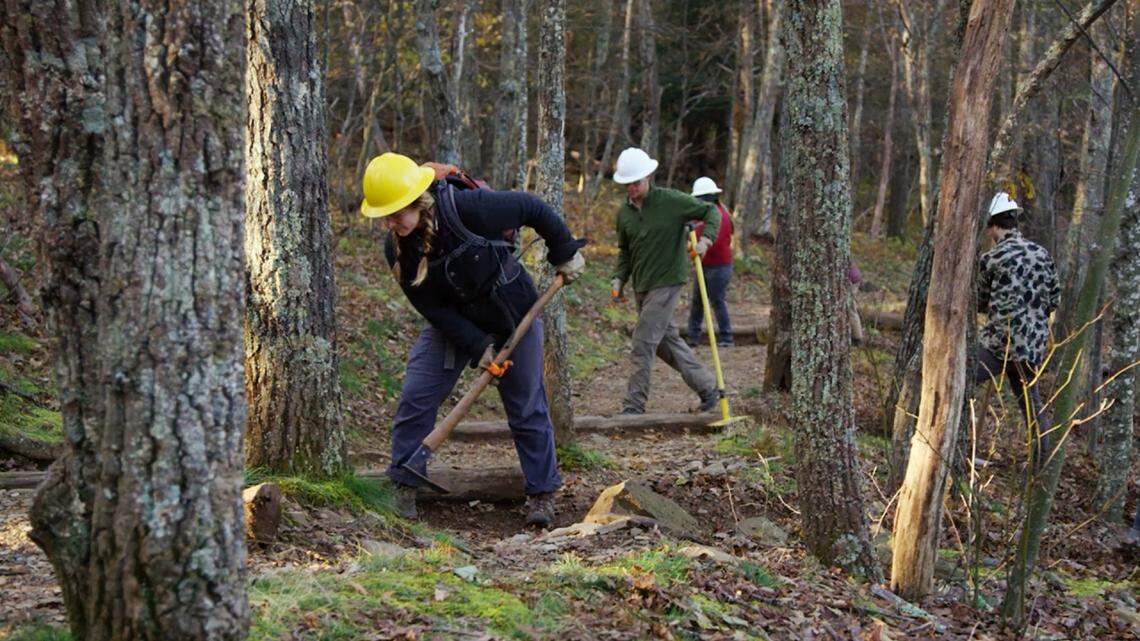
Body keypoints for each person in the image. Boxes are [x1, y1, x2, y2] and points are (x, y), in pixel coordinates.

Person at [360, 152, 586, 526]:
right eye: (384, 215)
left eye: (397, 213)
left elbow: (532, 207)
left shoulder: (469, 209)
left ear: (417, 201)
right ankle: (403, 483)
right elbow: (432, 307)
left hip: (514, 315)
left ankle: (542, 494)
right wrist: (477, 345)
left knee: (526, 404)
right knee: (418, 393)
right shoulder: (397, 248)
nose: (390, 222)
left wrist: (564, 252)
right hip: (455, 322)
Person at [610, 147, 721, 415]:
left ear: (648, 177)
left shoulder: (671, 201)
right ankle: (708, 389)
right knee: (664, 342)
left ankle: (633, 407)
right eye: (627, 184)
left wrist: (706, 241)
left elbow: (711, 213)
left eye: (636, 182)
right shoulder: (624, 215)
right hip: (642, 285)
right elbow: (625, 251)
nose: (632, 188)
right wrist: (618, 279)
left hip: (668, 280)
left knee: (642, 341)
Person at [973, 191, 1060, 467]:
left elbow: (980, 301)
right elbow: (1054, 298)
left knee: (960, 381)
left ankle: (957, 444)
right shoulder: (1042, 254)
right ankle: (1040, 465)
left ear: (993, 225)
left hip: (999, 344)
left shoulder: (992, 258)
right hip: (1031, 347)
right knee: (1031, 406)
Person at [685, 177, 735, 348]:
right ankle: (692, 336)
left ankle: (726, 336)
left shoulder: (719, 215)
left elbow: (713, 239)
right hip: (705, 265)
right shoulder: (705, 215)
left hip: (719, 267)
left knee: (717, 300)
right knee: (698, 301)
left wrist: (696, 243)